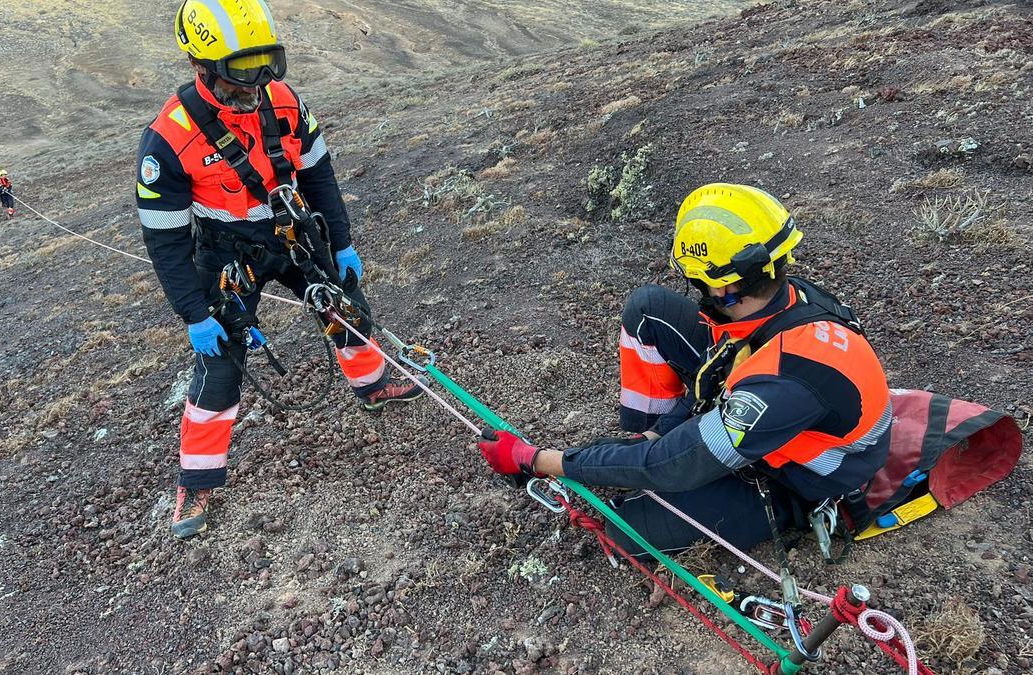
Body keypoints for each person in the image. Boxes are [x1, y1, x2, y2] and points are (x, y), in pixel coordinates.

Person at [136, 0, 425, 539]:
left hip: (291, 233)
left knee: (346, 307)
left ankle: (372, 384)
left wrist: (340, 243)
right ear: (201, 69)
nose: (258, 84)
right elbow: (165, 241)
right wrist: (194, 314)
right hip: (224, 253)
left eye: (269, 64)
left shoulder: (284, 101)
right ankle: (196, 481)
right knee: (221, 363)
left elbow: (320, 178)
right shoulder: (169, 140)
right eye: (244, 71)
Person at [478, 183, 893, 556]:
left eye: (695, 279)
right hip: (783, 405)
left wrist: (534, 459)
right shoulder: (785, 300)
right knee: (649, 311)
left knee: (627, 529)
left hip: (799, 477)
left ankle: (782, 511)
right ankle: (649, 431)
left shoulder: (781, 382)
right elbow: (721, 366)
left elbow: (668, 466)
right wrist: (656, 436)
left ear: (725, 287)